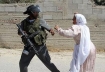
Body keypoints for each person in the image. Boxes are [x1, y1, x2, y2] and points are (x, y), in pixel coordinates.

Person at [18, 5, 60, 72]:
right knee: (22, 63)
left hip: (40, 47)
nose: (37, 13)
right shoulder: (24, 22)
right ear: (31, 13)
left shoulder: (40, 21)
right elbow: (19, 32)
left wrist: (51, 31)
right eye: (36, 12)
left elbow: (49, 28)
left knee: (48, 63)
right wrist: (22, 32)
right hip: (28, 47)